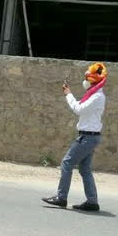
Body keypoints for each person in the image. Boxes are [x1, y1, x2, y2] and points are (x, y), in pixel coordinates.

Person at [42, 62, 108, 211]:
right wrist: (69, 94)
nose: (85, 81)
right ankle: (92, 201)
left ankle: (61, 197)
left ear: (93, 80)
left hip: (87, 137)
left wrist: (68, 94)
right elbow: (80, 105)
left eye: (87, 78)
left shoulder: (97, 96)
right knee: (84, 169)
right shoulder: (93, 95)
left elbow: (78, 109)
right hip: (90, 136)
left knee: (67, 163)